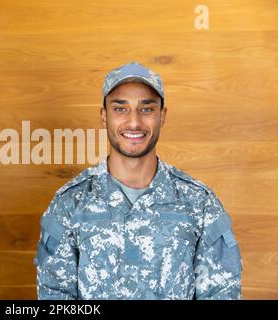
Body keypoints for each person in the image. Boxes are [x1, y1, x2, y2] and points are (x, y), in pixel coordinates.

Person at [34, 61, 242, 300]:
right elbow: (55, 295)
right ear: (104, 116)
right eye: (120, 109)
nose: (134, 122)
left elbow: (223, 293)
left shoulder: (199, 203)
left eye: (146, 109)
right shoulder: (69, 203)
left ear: (162, 116)